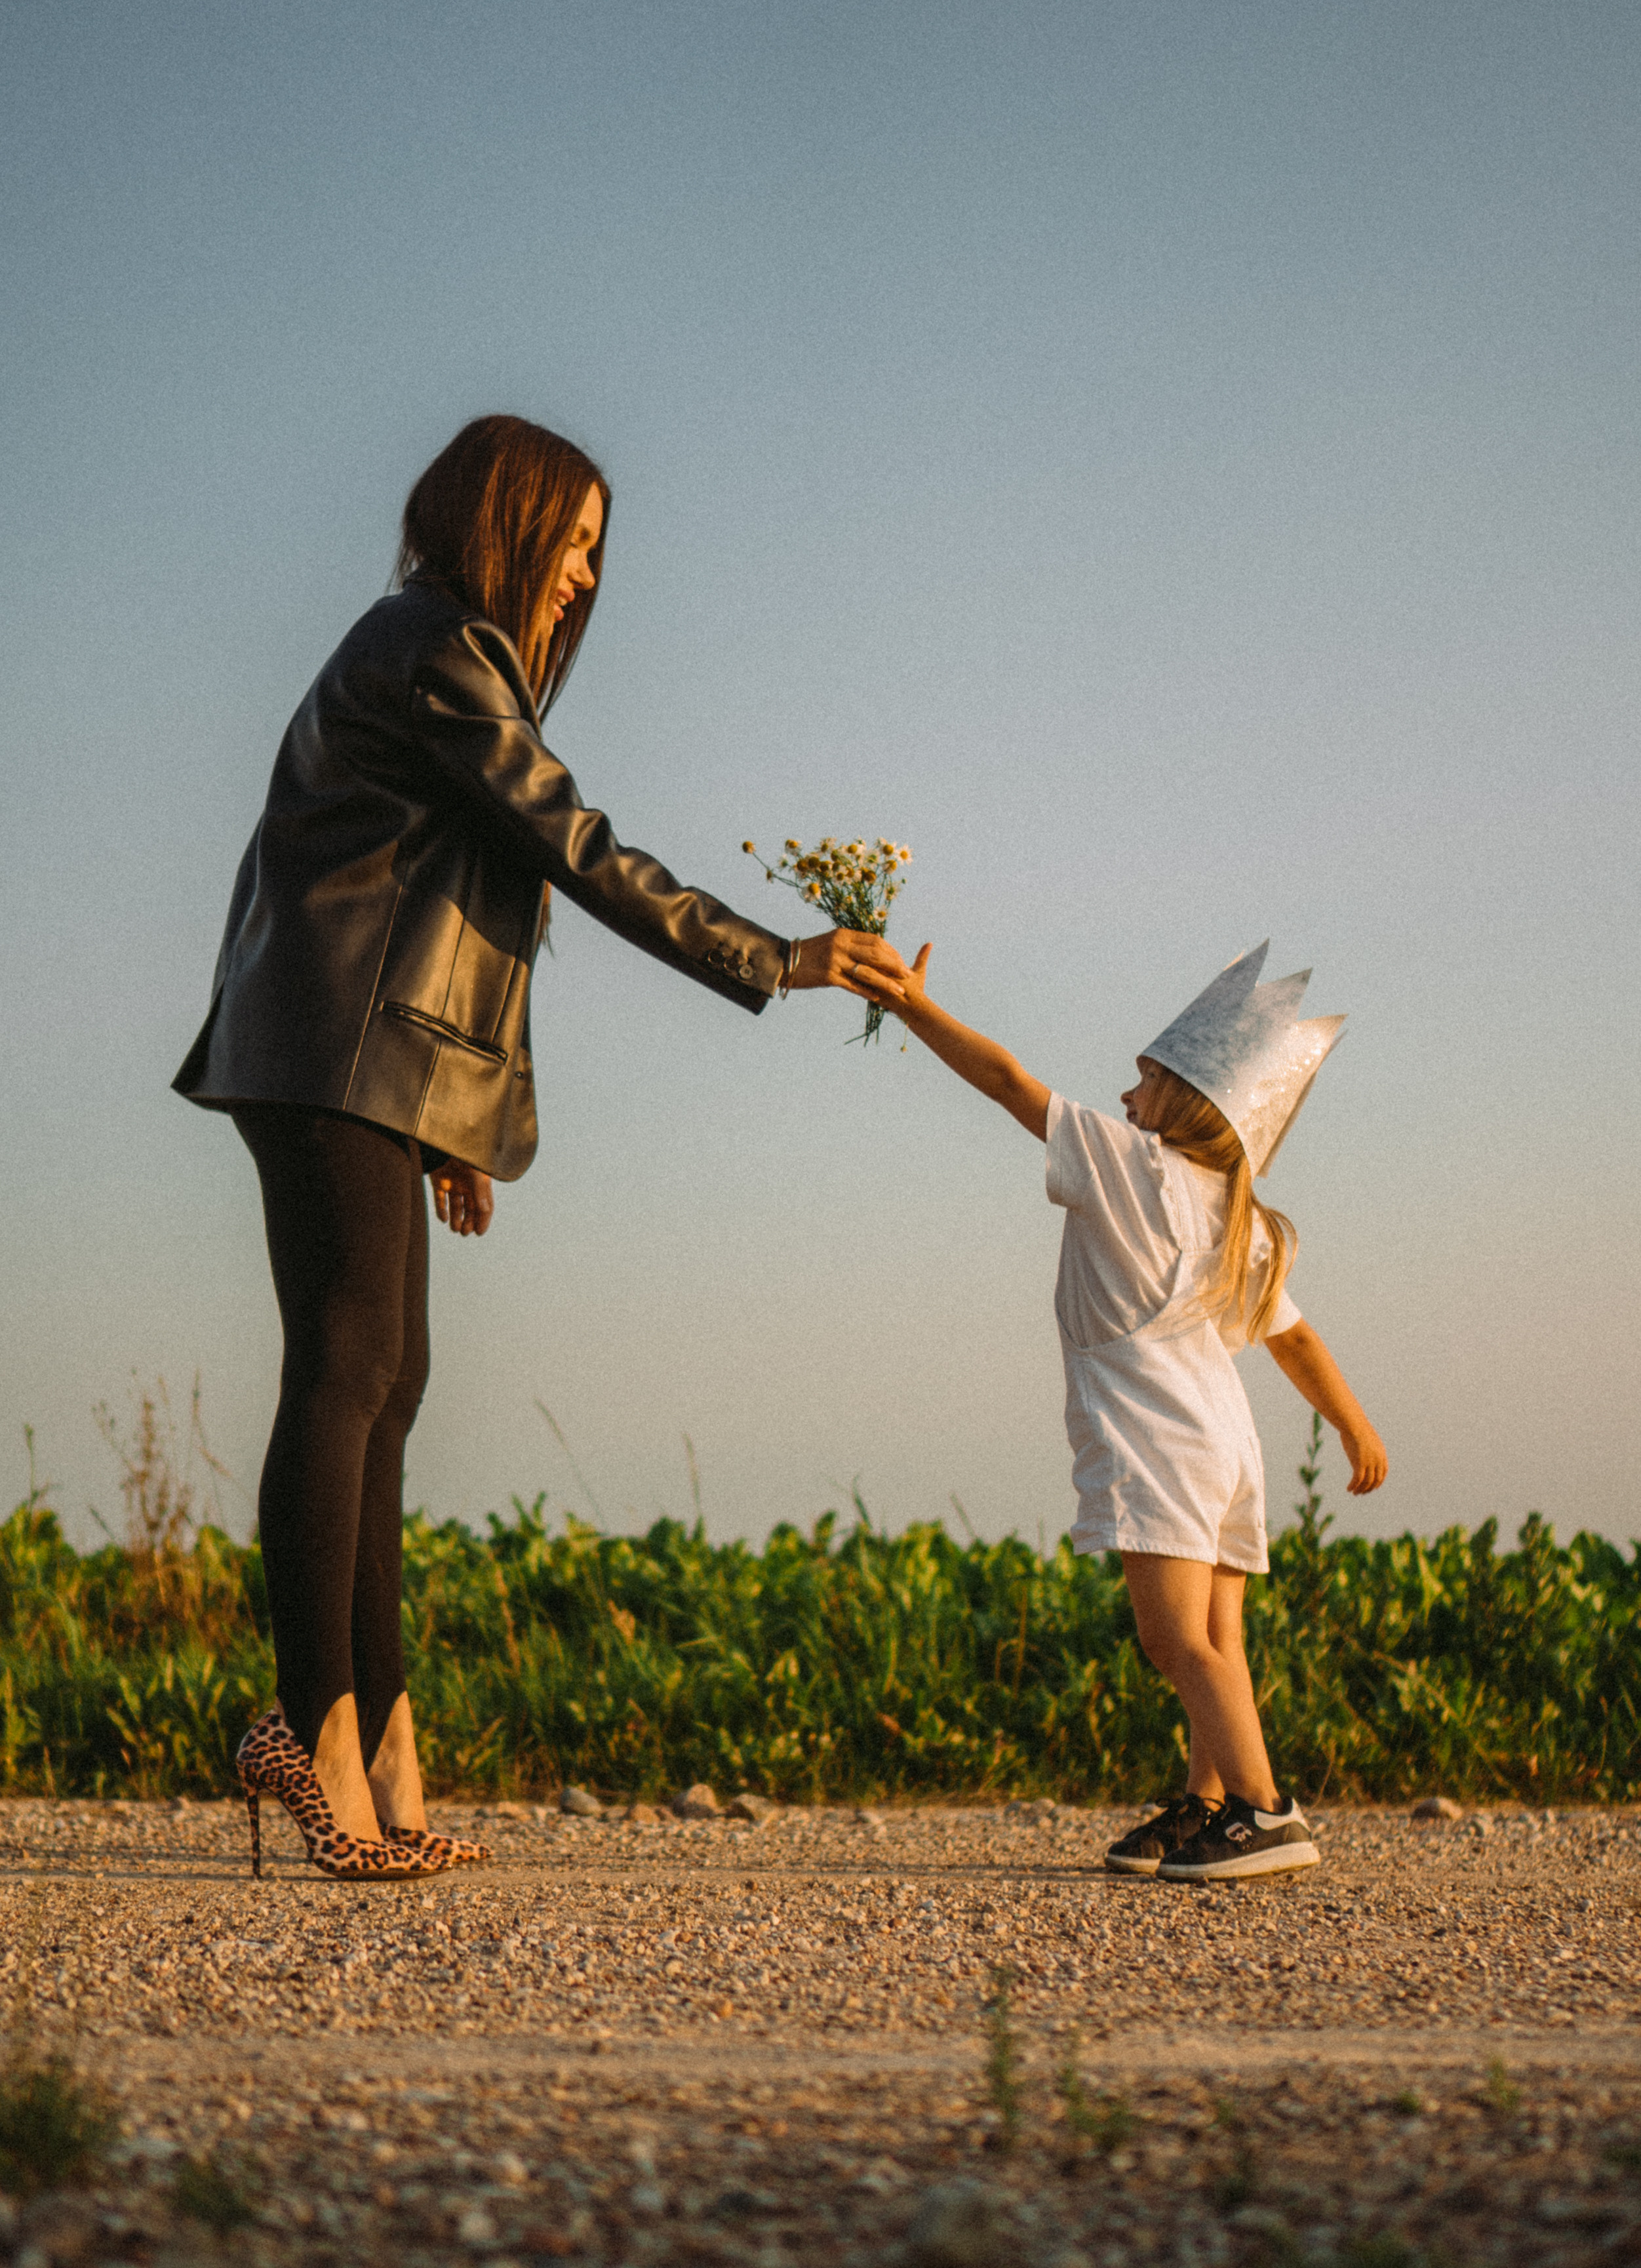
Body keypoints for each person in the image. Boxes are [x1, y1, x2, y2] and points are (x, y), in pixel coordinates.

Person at [174, 413, 904, 1880]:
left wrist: (455, 1122)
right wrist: (775, 954)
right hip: (327, 1047)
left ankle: (374, 1738)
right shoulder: (431, 641)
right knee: (345, 1366)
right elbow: (570, 843)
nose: (579, 582)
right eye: (568, 547)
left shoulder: (437, 657)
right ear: (500, 523)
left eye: (590, 560)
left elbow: (462, 896)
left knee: (388, 1382)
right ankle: (312, 1734)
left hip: (367, 1054)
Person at [848, 937, 1387, 1881]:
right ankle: (1209, 1803)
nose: (1127, 1095)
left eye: (1144, 1081)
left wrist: (916, 1009)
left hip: (1159, 1440)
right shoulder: (1243, 1217)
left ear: (1182, 1101)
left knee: (1173, 1638)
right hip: (1228, 1441)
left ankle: (1267, 1810)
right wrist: (1351, 1422)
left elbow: (1007, 1080)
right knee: (1223, 1640)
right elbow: (1293, 1340)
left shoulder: (1124, 1158)